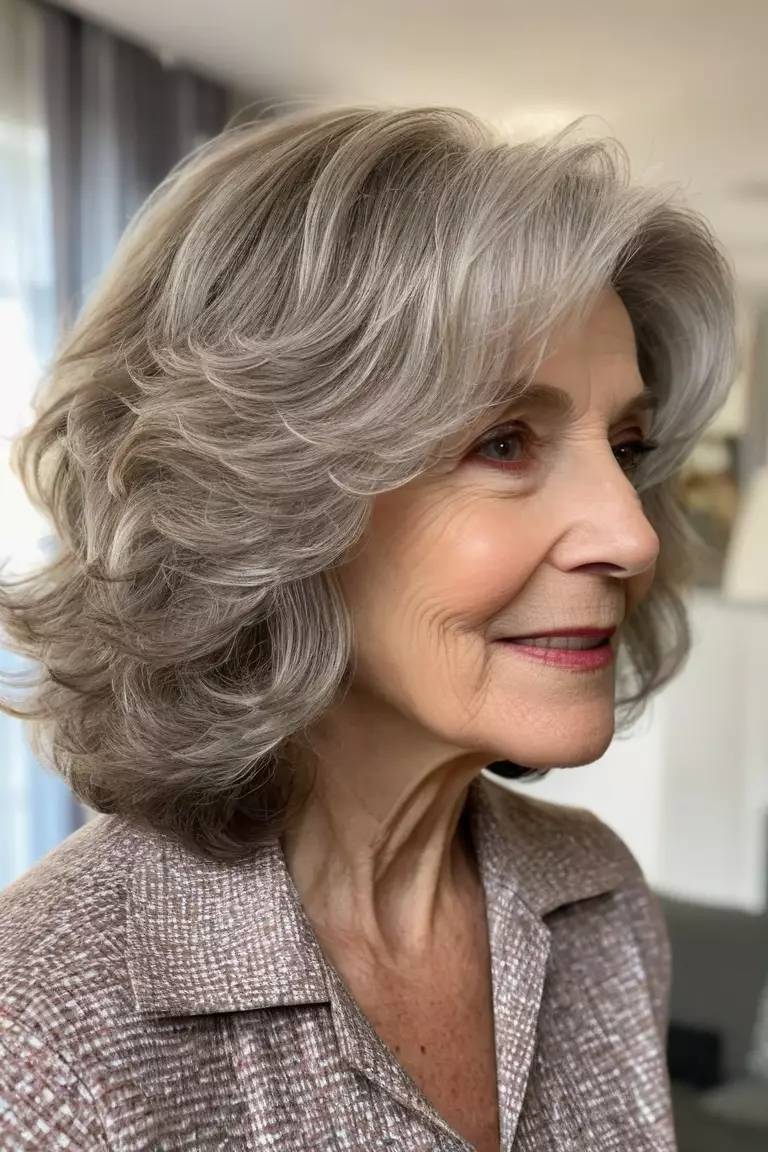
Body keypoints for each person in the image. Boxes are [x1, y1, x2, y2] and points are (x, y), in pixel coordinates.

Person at [0, 106, 734, 1151]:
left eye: (626, 446)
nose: (633, 534)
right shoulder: (41, 1030)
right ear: (263, 501)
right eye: (503, 441)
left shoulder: (597, 900)